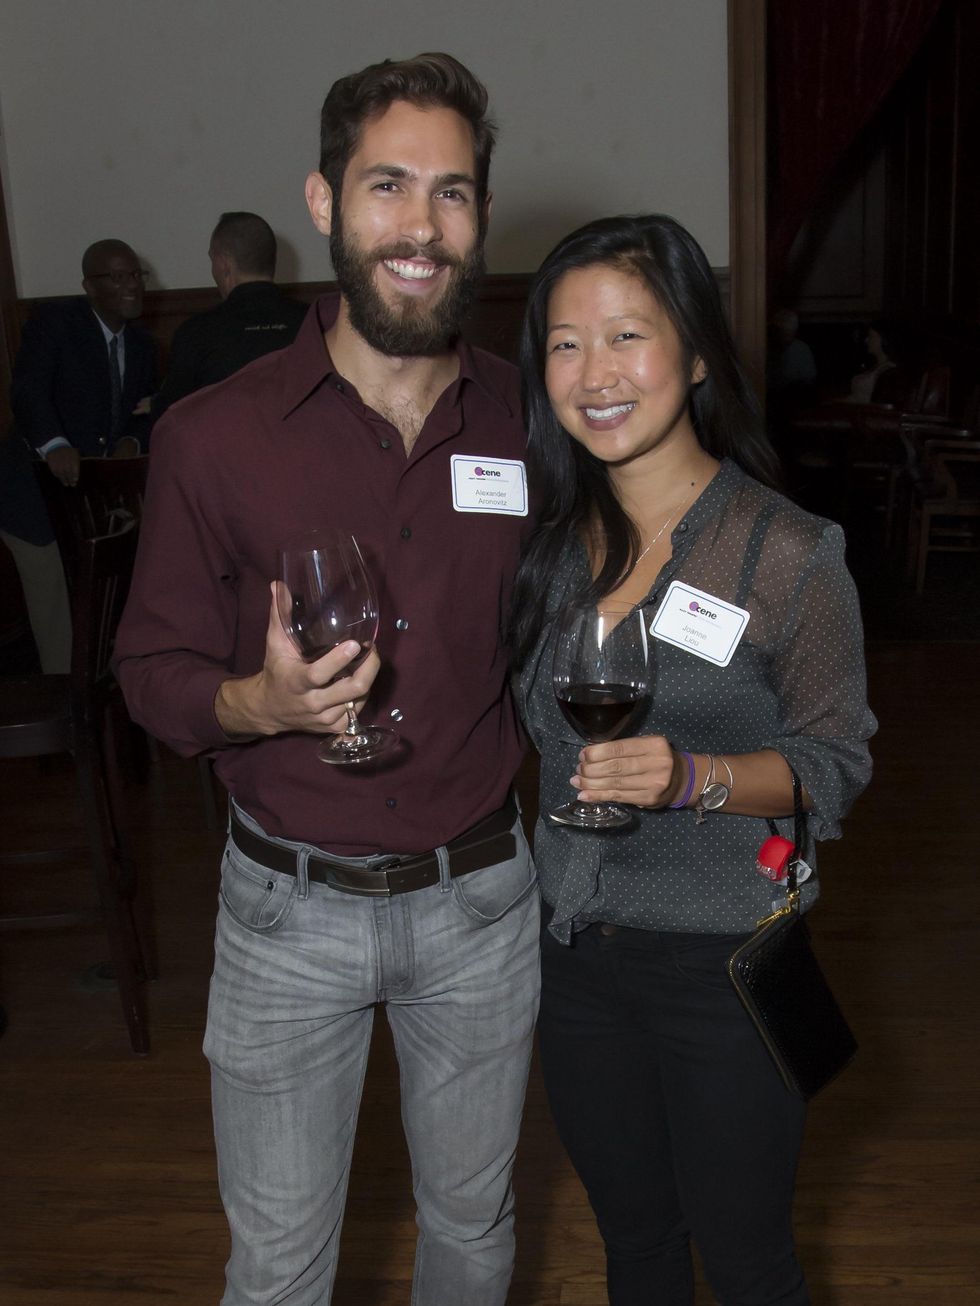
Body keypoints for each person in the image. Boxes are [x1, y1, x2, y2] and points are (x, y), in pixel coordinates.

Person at [114, 52, 539, 1306]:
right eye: (388, 186)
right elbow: (147, 670)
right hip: (285, 916)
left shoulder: (532, 421)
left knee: (474, 1236)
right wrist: (259, 703)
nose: (421, 226)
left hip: (479, 904)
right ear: (323, 200)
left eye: (452, 193)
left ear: (479, 216)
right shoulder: (211, 437)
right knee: (281, 1272)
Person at [509, 214, 875, 1305]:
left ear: (699, 352)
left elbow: (833, 765)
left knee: (747, 1258)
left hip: (721, 962)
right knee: (635, 1246)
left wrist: (691, 778)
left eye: (627, 335)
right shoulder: (539, 544)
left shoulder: (786, 552)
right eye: (565, 343)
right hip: (570, 952)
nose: (593, 372)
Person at [11, 240, 158, 488]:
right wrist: (54, 444)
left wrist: (132, 440)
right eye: (118, 276)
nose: (133, 284)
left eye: (136, 274)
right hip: (38, 480)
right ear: (90, 286)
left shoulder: (142, 343)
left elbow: (148, 406)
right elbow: (28, 389)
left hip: (102, 487)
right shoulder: (55, 323)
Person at [150, 211, 307, 421]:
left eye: (212, 259)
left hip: (223, 451)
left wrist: (156, 404)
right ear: (272, 259)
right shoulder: (313, 322)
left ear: (224, 264)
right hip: (305, 450)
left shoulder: (198, 333)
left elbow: (173, 416)